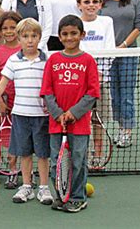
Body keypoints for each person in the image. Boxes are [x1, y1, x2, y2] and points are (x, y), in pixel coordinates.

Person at [0, 18, 53, 206]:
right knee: (24, 153)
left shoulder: (47, 60)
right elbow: (2, 83)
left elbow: (53, 86)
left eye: (33, 36)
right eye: (25, 36)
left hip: (42, 117)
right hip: (20, 116)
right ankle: (27, 186)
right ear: (19, 38)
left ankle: (44, 188)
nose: (29, 40)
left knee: (43, 154)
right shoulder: (14, 60)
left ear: (39, 38)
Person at [41, 15, 100, 213]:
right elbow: (46, 91)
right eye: (65, 34)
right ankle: (61, 195)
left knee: (77, 160)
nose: (69, 37)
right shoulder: (53, 60)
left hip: (79, 124)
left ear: (82, 35)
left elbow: (92, 93)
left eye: (74, 33)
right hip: (56, 123)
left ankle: (77, 197)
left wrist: (74, 113)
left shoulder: (88, 61)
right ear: (59, 36)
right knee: (57, 162)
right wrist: (58, 113)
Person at [100, 0, 140, 148]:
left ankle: (126, 132)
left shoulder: (136, 1)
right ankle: (121, 128)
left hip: (128, 54)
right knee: (114, 96)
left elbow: (139, 26)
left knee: (126, 95)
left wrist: (123, 45)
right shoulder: (102, 2)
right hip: (107, 57)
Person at [77, 0, 115, 168]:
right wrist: (85, 75)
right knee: (81, 121)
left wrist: (98, 75)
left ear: (100, 4)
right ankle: (82, 155)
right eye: (86, 2)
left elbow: (111, 51)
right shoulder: (75, 23)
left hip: (101, 82)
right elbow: (74, 52)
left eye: (94, 1)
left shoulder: (106, 22)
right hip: (79, 84)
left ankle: (98, 156)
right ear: (79, 5)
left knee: (98, 122)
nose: (91, 5)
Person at [0, 11, 23, 189]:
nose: (9, 32)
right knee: (7, 138)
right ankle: (12, 171)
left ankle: (24, 171)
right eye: (5, 28)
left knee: (23, 138)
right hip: (4, 102)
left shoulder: (27, 50)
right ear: (0, 31)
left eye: (13, 28)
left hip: (24, 102)